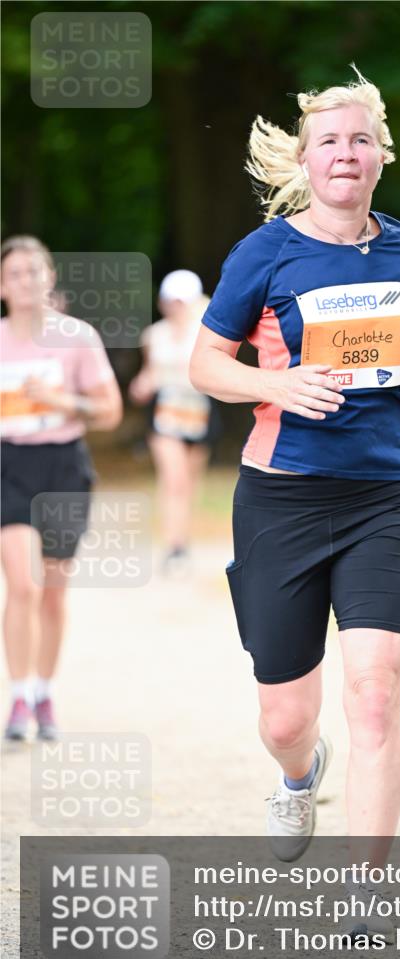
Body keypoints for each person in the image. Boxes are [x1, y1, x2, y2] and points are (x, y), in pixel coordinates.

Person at [189, 66, 400, 941]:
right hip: (282, 499)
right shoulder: (264, 253)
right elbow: (206, 364)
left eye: (360, 140)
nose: (345, 153)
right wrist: (277, 382)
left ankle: (364, 894)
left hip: (383, 497)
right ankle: (299, 772)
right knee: (285, 717)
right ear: (304, 161)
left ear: (380, 156)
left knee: (374, 693)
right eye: (329, 142)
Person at [1, 235, 122, 740]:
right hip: (9, 465)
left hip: (63, 468)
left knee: (52, 593)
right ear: (3, 286)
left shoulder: (77, 339)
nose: (26, 280)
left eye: (35, 270)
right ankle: (18, 697)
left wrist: (62, 400)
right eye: (15, 273)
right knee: (23, 586)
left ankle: (43, 692)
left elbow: (110, 412)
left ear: (49, 277)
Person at [129, 270, 221, 575]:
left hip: (199, 412)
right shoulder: (153, 335)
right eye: (171, 301)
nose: (175, 307)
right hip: (165, 413)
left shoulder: (206, 332)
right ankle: (173, 546)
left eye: (181, 301)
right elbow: (150, 371)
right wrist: (142, 385)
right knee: (174, 478)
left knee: (190, 483)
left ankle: (183, 540)